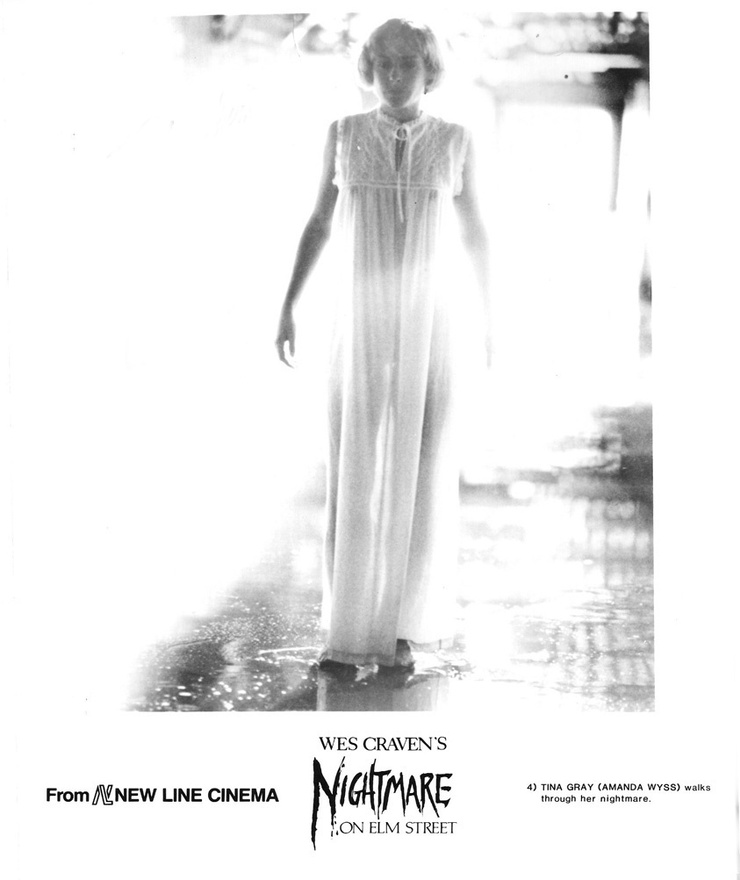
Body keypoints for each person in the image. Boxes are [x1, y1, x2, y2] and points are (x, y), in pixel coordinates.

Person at [275, 18, 491, 671]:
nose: (396, 76)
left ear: (430, 69)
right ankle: (349, 628)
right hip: (359, 317)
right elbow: (319, 221)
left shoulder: (455, 140)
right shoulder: (343, 133)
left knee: (422, 466)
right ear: (371, 68)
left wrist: (491, 318)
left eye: (408, 64)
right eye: (385, 64)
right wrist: (288, 303)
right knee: (355, 458)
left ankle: (403, 629)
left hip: (433, 319)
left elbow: (476, 233)